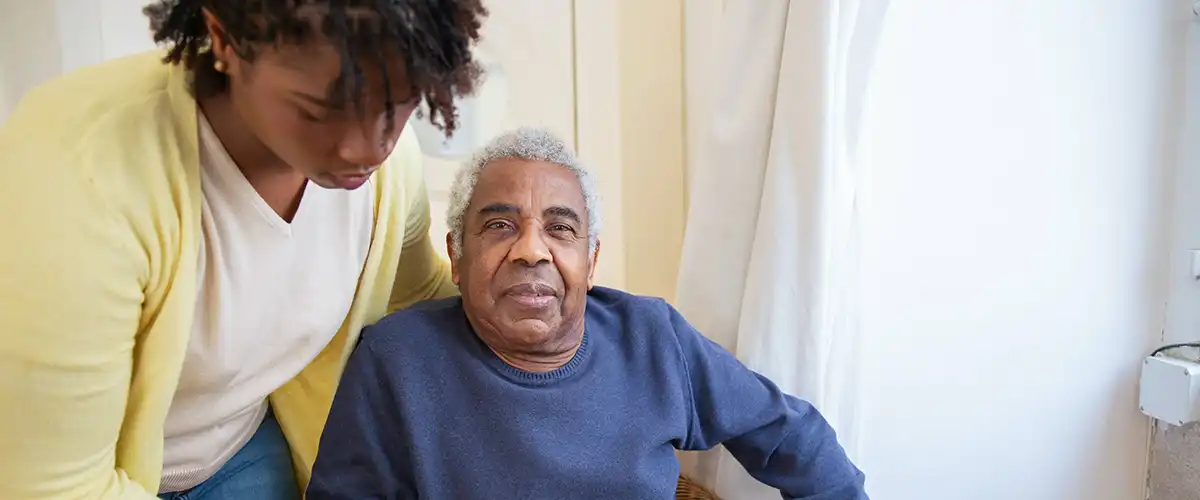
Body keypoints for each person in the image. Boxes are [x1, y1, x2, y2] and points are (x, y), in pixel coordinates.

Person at [0, 1, 488, 498]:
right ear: (225, 38)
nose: (365, 149)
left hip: (243, 446)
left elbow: (415, 297)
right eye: (318, 111)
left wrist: (551, 294)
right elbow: (53, 486)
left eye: (397, 105)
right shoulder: (77, 180)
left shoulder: (390, 170)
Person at [306, 127, 870, 500]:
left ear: (591, 259)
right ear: (457, 254)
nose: (531, 250)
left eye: (561, 228)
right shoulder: (396, 359)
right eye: (500, 225)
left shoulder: (652, 337)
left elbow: (792, 437)